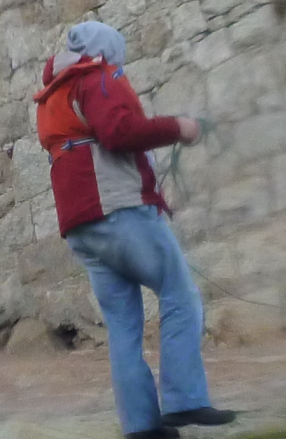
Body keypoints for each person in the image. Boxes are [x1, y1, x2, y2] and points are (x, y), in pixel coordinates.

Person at [33, 21, 235, 439]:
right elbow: (118, 132)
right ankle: (185, 400)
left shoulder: (54, 94)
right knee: (179, 295)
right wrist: (179, 127)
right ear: (108, 50)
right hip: (118, 210)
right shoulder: (98, 77)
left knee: (123, 327)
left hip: (80, 226)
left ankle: (141, 427)